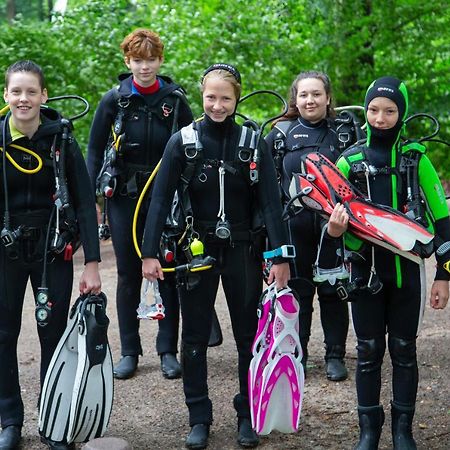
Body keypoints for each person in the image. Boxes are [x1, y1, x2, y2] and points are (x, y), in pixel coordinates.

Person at [141, 63, 291, 449]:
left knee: (246, 336)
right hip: (196, 250)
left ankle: (246, 415)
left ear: (237, 98)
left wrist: (280, 257)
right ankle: (199, 417)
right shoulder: (183, 141)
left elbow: (272, 204)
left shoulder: (251, 142)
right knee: (192, 336)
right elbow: (159, 200)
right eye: (211, 97)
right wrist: (149, 253)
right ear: (201, 95)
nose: (218, 105)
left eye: (226, 98)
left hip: (242, 247)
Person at [328, 76, 450, 449]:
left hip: (407, 274)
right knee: (367, 351)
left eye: (390, 110)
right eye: (374, 110)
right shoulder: (349, 161)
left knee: (403, 349)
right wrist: (334, 230)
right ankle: (369, 432)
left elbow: (444, 221)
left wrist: (443, 276)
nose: (381, 118)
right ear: (365, 112)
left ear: (402, 113)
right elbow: (329, 222)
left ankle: (403, 432)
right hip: (364, 273)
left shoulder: (416, 160)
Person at [0, 60, 101, 450]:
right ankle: (10, 420)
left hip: (51, 249)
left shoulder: (61, 141)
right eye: (16, 91)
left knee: (53, 336)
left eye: (31, 92)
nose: (23, 99)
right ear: (6, 96)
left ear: (44, 96)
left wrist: (92, 263)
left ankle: (54, 419)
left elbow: (82, 202)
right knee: (4, 334)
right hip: (6, 250)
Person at [86, 29, 193, 381]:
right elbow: (94, 149)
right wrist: (90, 199)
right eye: (137, 60)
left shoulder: (175, 100)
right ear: (127, 61)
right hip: (125, 197)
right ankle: (130, 350)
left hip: (166, 198)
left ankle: (167, 350)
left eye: (150, 60)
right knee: (129, 273)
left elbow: (194, 148)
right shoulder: (114, 100)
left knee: (167, 269)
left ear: (160, 60)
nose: (144, 67)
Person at [265, 71, 357, 381]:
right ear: (295, 99)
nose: (310, 100)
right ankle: (296, 354)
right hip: (294, 224)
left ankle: (334, 356)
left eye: (316, 94)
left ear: (328, 98)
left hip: (332, 226)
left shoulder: (342, 133)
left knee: (332, 291)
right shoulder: (281, 134)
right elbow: (266, 187)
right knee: (298, 292)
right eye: (304, 95)